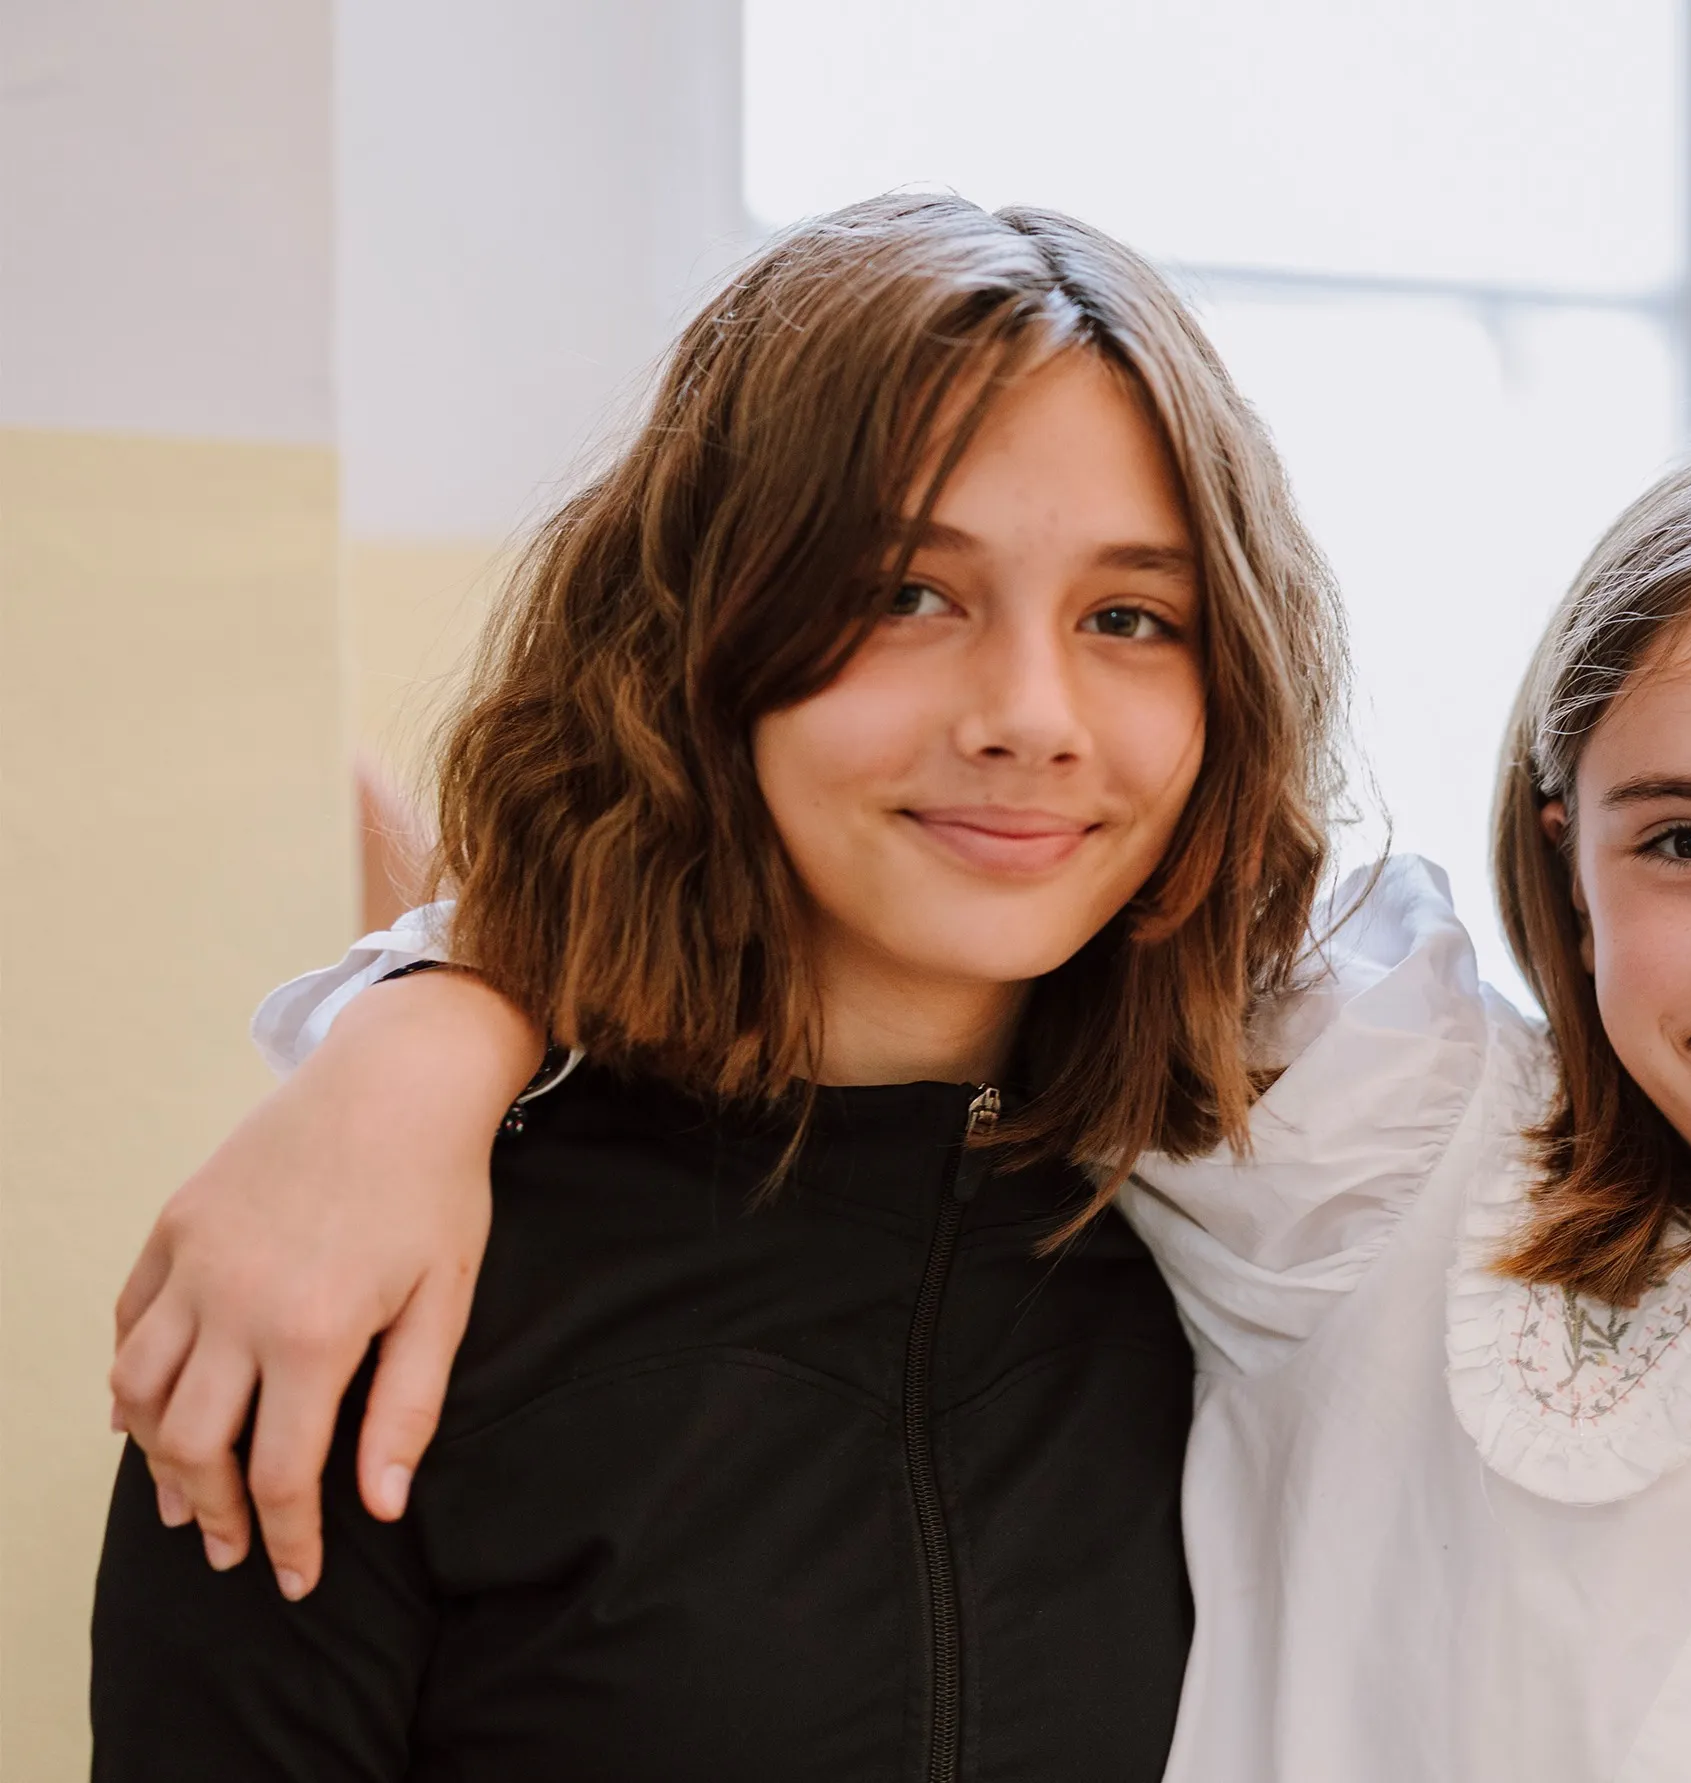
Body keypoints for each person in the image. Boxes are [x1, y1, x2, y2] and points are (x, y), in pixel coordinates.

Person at [110, 441, 1691, 1777]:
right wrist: (431, 1027)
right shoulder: (1388, 1168)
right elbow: (953, 838)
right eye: (1682, 840)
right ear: (1558, 878)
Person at [88, 190, 1350, 1779]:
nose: (1032, 714)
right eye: (908, 593)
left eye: (1127, 616)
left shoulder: (1267, 1244)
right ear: (703, 625)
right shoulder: (353, 1289)